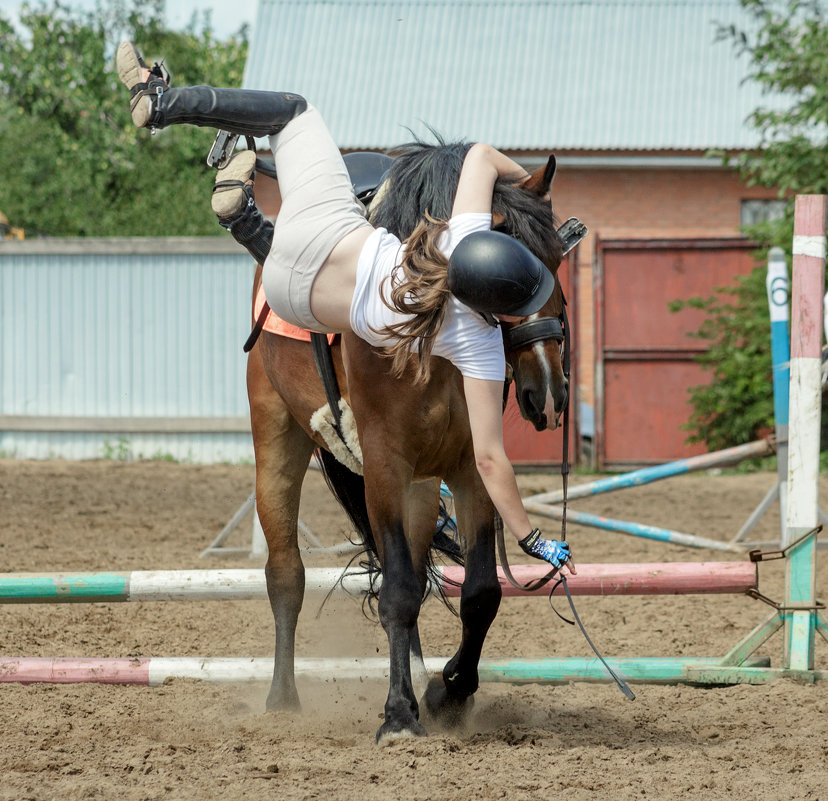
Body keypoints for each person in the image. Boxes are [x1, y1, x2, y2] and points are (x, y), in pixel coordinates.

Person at [117, 41, 575, 574]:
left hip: (309, 245)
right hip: (305, 301)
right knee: (353, 314)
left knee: (294, 112)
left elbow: (478, 156)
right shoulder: (476, 346)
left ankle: (164, 105)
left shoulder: (460, 236)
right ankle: (248, 227)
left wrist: (530, 199)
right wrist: (533, 539)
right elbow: (490, 461)